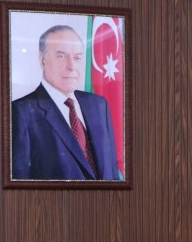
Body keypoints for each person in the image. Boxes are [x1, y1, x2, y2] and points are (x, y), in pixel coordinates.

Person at [11, 25, 122, 181]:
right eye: (61, 56)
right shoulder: (20, 112)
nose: (71, 66)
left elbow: (112, 172)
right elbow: (19, 185)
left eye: (77, 57)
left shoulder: (99, 105)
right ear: (42, 60)